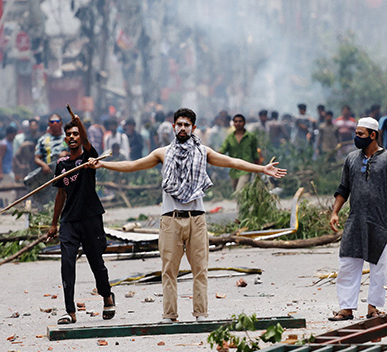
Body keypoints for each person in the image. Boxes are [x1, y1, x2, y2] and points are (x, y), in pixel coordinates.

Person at [89, 108, 286, 323]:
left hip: (197, 219)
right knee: (169, 271)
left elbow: (232, 161)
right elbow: (133, 165)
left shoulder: (203, 152)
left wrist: (261, 169)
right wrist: (103, 164)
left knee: (200, 269)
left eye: (187, 125)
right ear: (174, 127)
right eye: (179, 124)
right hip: (170, 219)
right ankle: (169, 315)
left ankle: (200, 314)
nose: (182, 128)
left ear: (193, 128)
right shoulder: (162, 153)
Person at [328, 117, 387, 321]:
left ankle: (373, 308)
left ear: (373, 135)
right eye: (356, 133)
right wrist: (335, 212)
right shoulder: (351, 159)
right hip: (355, 221)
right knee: (347, 264)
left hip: (379, 222)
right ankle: (346, 309)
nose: (356, 137)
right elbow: (343, 188)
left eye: (360, 134)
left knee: (379, 268)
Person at [45, 117, 115, 325]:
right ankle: (70, 311)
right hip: (69, 221)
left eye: (76, 133)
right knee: (67, 263)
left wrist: (80, 124)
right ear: (65, 139)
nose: (72, 137)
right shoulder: (61, 165)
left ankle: (107, 296)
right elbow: (60, 195)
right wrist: (54, 223)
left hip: (91, 218)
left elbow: (86, 143)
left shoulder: (89, 159)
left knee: (96, 262)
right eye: (69, 134)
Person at [219, 114, 260, 192]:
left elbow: (255, 153)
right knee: (237, 191)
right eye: (236, 121)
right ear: (233, 123)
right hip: (234, 169)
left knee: (240, 190)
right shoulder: (229, 138)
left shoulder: (251, 137)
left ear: (244, 123)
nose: (238, 123)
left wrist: (257, 168)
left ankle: (241, 204)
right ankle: (244, 204)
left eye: (240, 121)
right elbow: (223, 149)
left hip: (246, 167)